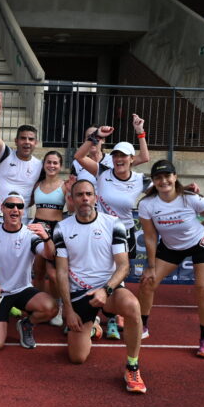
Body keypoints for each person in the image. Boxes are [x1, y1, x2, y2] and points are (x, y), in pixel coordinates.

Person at [53, 179, 146, 394]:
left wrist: (106, 290)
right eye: (79, 195)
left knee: (132, 306)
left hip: (109, 290)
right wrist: (68, 309)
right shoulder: (62, 228)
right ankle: (94, 326)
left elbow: (123, 266)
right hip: (79, 293)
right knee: (77, 358)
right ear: (71, 199)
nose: (85, 198)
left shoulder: (114, 223)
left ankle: (132, 366)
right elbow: (61, 272)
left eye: (88, 194)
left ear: (95, 198)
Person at [73, 114, 150, 339]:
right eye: (116, 155)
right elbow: (79, 156)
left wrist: (187, 191)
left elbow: (167, 190)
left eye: (124, 156)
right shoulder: (102, 172)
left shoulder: (140, 180)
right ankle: (93, 316)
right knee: (96, 269)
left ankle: (114, 317)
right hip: (99, 230)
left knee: (118, 274)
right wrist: (96, 136)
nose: (119, 159)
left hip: (124, 233)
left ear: (131, 159)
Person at [138, 160, 204, 359]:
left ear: (175, 177)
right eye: (158, 178)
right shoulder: (147, 204)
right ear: (154, 181)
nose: (164, 181)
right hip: (171, 247)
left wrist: (202, 227)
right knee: (147, 282)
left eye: (167, 176)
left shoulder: (190, 198)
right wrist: (151, 266)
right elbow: (150, 236)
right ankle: (142, 326)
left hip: (201, 244)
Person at [0, 193, 57, 350]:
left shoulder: (30, 234)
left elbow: (50, 255)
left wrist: (46, 238)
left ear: (23, 211)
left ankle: (26, 324)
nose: (15, 209)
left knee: (51, 307)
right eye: (10, 205)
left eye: (19, 206)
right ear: (2, 208)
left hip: (22, 289)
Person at [0, 92, 43, 225]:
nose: (27, 142)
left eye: (31, 139)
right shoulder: (5, 154)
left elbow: (37, 193)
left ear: (36, 143)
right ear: (16, 141)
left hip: (21, 221)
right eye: (23, 138)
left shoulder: (40, 165)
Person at [31, 150, 67, 326]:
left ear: (60, 166)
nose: (52, 166)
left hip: (56, 230)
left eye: (55, 163)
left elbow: (72, 209)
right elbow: (25, 202)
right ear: (44, 164)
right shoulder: (37, 184)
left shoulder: (65, 185)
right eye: (49, 162)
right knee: (38, 271)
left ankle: (58, 308)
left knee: (53, 274)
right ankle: (39, 306)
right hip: (37, 227)